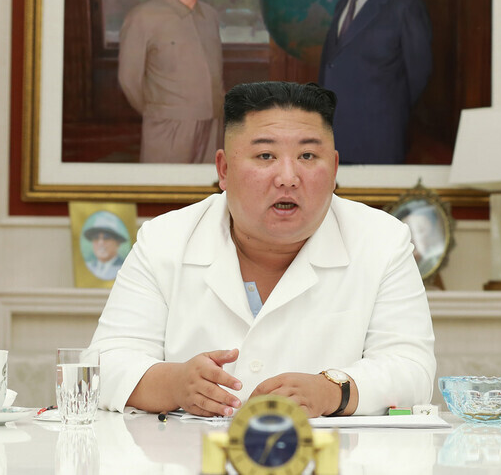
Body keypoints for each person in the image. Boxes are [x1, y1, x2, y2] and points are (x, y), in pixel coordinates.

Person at [86, 81, 436, 417]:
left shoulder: (382, 241)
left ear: (333, 170)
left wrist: (331, 390)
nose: (287, 177)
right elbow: (103, 364)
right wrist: (176, 384)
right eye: (266, 155)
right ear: (224, 169)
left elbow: (412, 370)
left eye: (308, 155)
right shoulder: (164, 239)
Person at [318, 0, 433, 165]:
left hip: (378, 138)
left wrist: (385, 112)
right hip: (335, 137)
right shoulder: (343, 5)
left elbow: (418, 76)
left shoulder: (405, 6)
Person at [118, 0, 224, 163]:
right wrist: (161, 111)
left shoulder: (210, 16)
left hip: (214, 124)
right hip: (168, 126)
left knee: (207, 197)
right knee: (164, 196)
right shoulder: (143, 17)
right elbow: (130, 80)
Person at [81, 211, 130, 281]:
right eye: (96, 238)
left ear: (118, 242)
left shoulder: (124, 268)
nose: (100, 242)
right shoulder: (90, 266)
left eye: (106, 237)